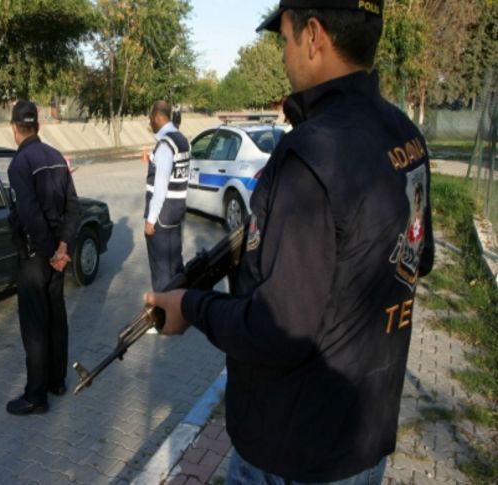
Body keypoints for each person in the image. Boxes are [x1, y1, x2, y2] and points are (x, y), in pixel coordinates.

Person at [146, 1, 434, 483]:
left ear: (314, 36)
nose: (282, 56)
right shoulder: (405, 133)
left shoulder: (310, 155)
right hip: (364, 435)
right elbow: (413, 260)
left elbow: (274, 330)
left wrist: (189, 307)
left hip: (295, 449)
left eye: (284, 40)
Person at [6, 100, 81, 415]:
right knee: (56, 317)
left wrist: (51, 252)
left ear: (13, 128)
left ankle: (36, 395)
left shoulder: (19, 164)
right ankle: (56, 381)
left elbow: (31, 215)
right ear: (37, 125)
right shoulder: (55, 157)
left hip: (38, 256)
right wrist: (64, 248)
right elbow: (73, 207)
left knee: (35, 326)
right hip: (56, 255)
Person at [144, 100, 190, 293]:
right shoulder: (182, 140)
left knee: (161, 271)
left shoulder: (165, 145)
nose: (149, 122)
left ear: (157, 117)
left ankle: (164, 317)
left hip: (161, 218)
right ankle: (178, 310)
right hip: (176, 213)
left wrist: (150, 219)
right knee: (175, 267)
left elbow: (160, 186)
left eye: (150, 118)